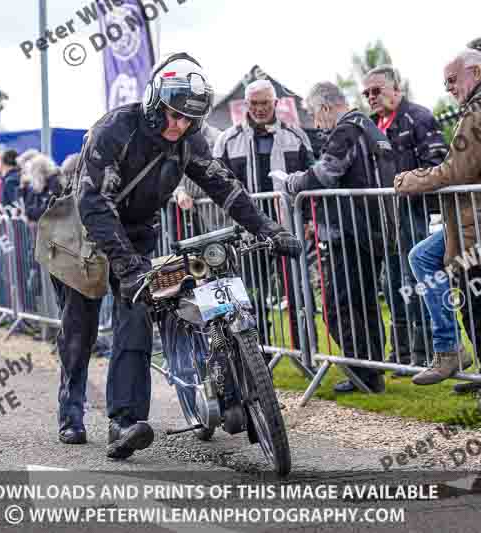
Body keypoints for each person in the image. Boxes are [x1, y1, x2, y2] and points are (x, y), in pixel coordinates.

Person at [54, 52, 301, 458]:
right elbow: (94, 202)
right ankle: (70, 410)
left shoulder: (189, 139)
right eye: (172, 114)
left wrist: (269, 228)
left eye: (188, 119)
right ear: (155, 102)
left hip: (136, 234)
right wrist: (127, 264)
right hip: (83, 232)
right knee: (79, 326)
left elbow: (224, 186)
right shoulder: (115, 129)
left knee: (135, 316)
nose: (178, 125)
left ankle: (124, 422)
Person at [395, 49, 481, 411]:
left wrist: (411, 179)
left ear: (475, 71)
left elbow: (454, 171)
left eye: (453, 80)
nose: (448, 89)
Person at [272, 81, 391, 394]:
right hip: (371, 228)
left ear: (325, 108)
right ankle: (372, 371)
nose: (314, 121)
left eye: (313, 113)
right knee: (364, 304)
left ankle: (360, 371)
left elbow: (324, 174)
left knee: (338, 305)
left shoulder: (345, 130)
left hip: (347, 230)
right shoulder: (369, 126)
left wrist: (291, 182)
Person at [211, 79, 313, 353]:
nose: (258, 108)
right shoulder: (226, 140)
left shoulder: (296, 136)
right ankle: (260, 357)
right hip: (248, 231)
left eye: (264, 103)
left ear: (276, 103)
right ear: (245, 104)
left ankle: (305, 354)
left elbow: (312, 181)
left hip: (288, 227)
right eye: (253, 103)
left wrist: (309, 222)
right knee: (251, 296)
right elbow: (216, 187)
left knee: (298, 294)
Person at [362, 65, 447, 378]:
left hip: (413, 211)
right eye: (366, 93)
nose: (371, 97)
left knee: (415, 282)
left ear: (396, 89)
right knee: (391, 282)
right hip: (383, 215)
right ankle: (401, 353)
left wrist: (409, 186)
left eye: (377, 90)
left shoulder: (419, 117)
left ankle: (426, 352)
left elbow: (437, 162)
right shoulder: (370, 126)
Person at [23, 154, 62, 223]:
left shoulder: (54, 184)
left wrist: (29, 212)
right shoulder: (44, 184)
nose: (31, 178)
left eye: (32, 174)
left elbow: (46, 211)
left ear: (37, 171)